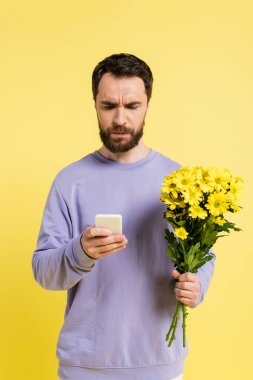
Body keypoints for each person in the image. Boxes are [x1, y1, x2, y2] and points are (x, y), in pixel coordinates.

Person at [32, 53, 215, 380]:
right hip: (84, 366)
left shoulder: (179, 180)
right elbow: (44, 273)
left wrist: (197, 284)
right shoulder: (69, 181)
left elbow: (204, 254)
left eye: (131, 106)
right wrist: (82, 252)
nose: (120, 119)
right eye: (109, 106)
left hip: (160, 364)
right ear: (94, 104)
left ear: (147, 105)